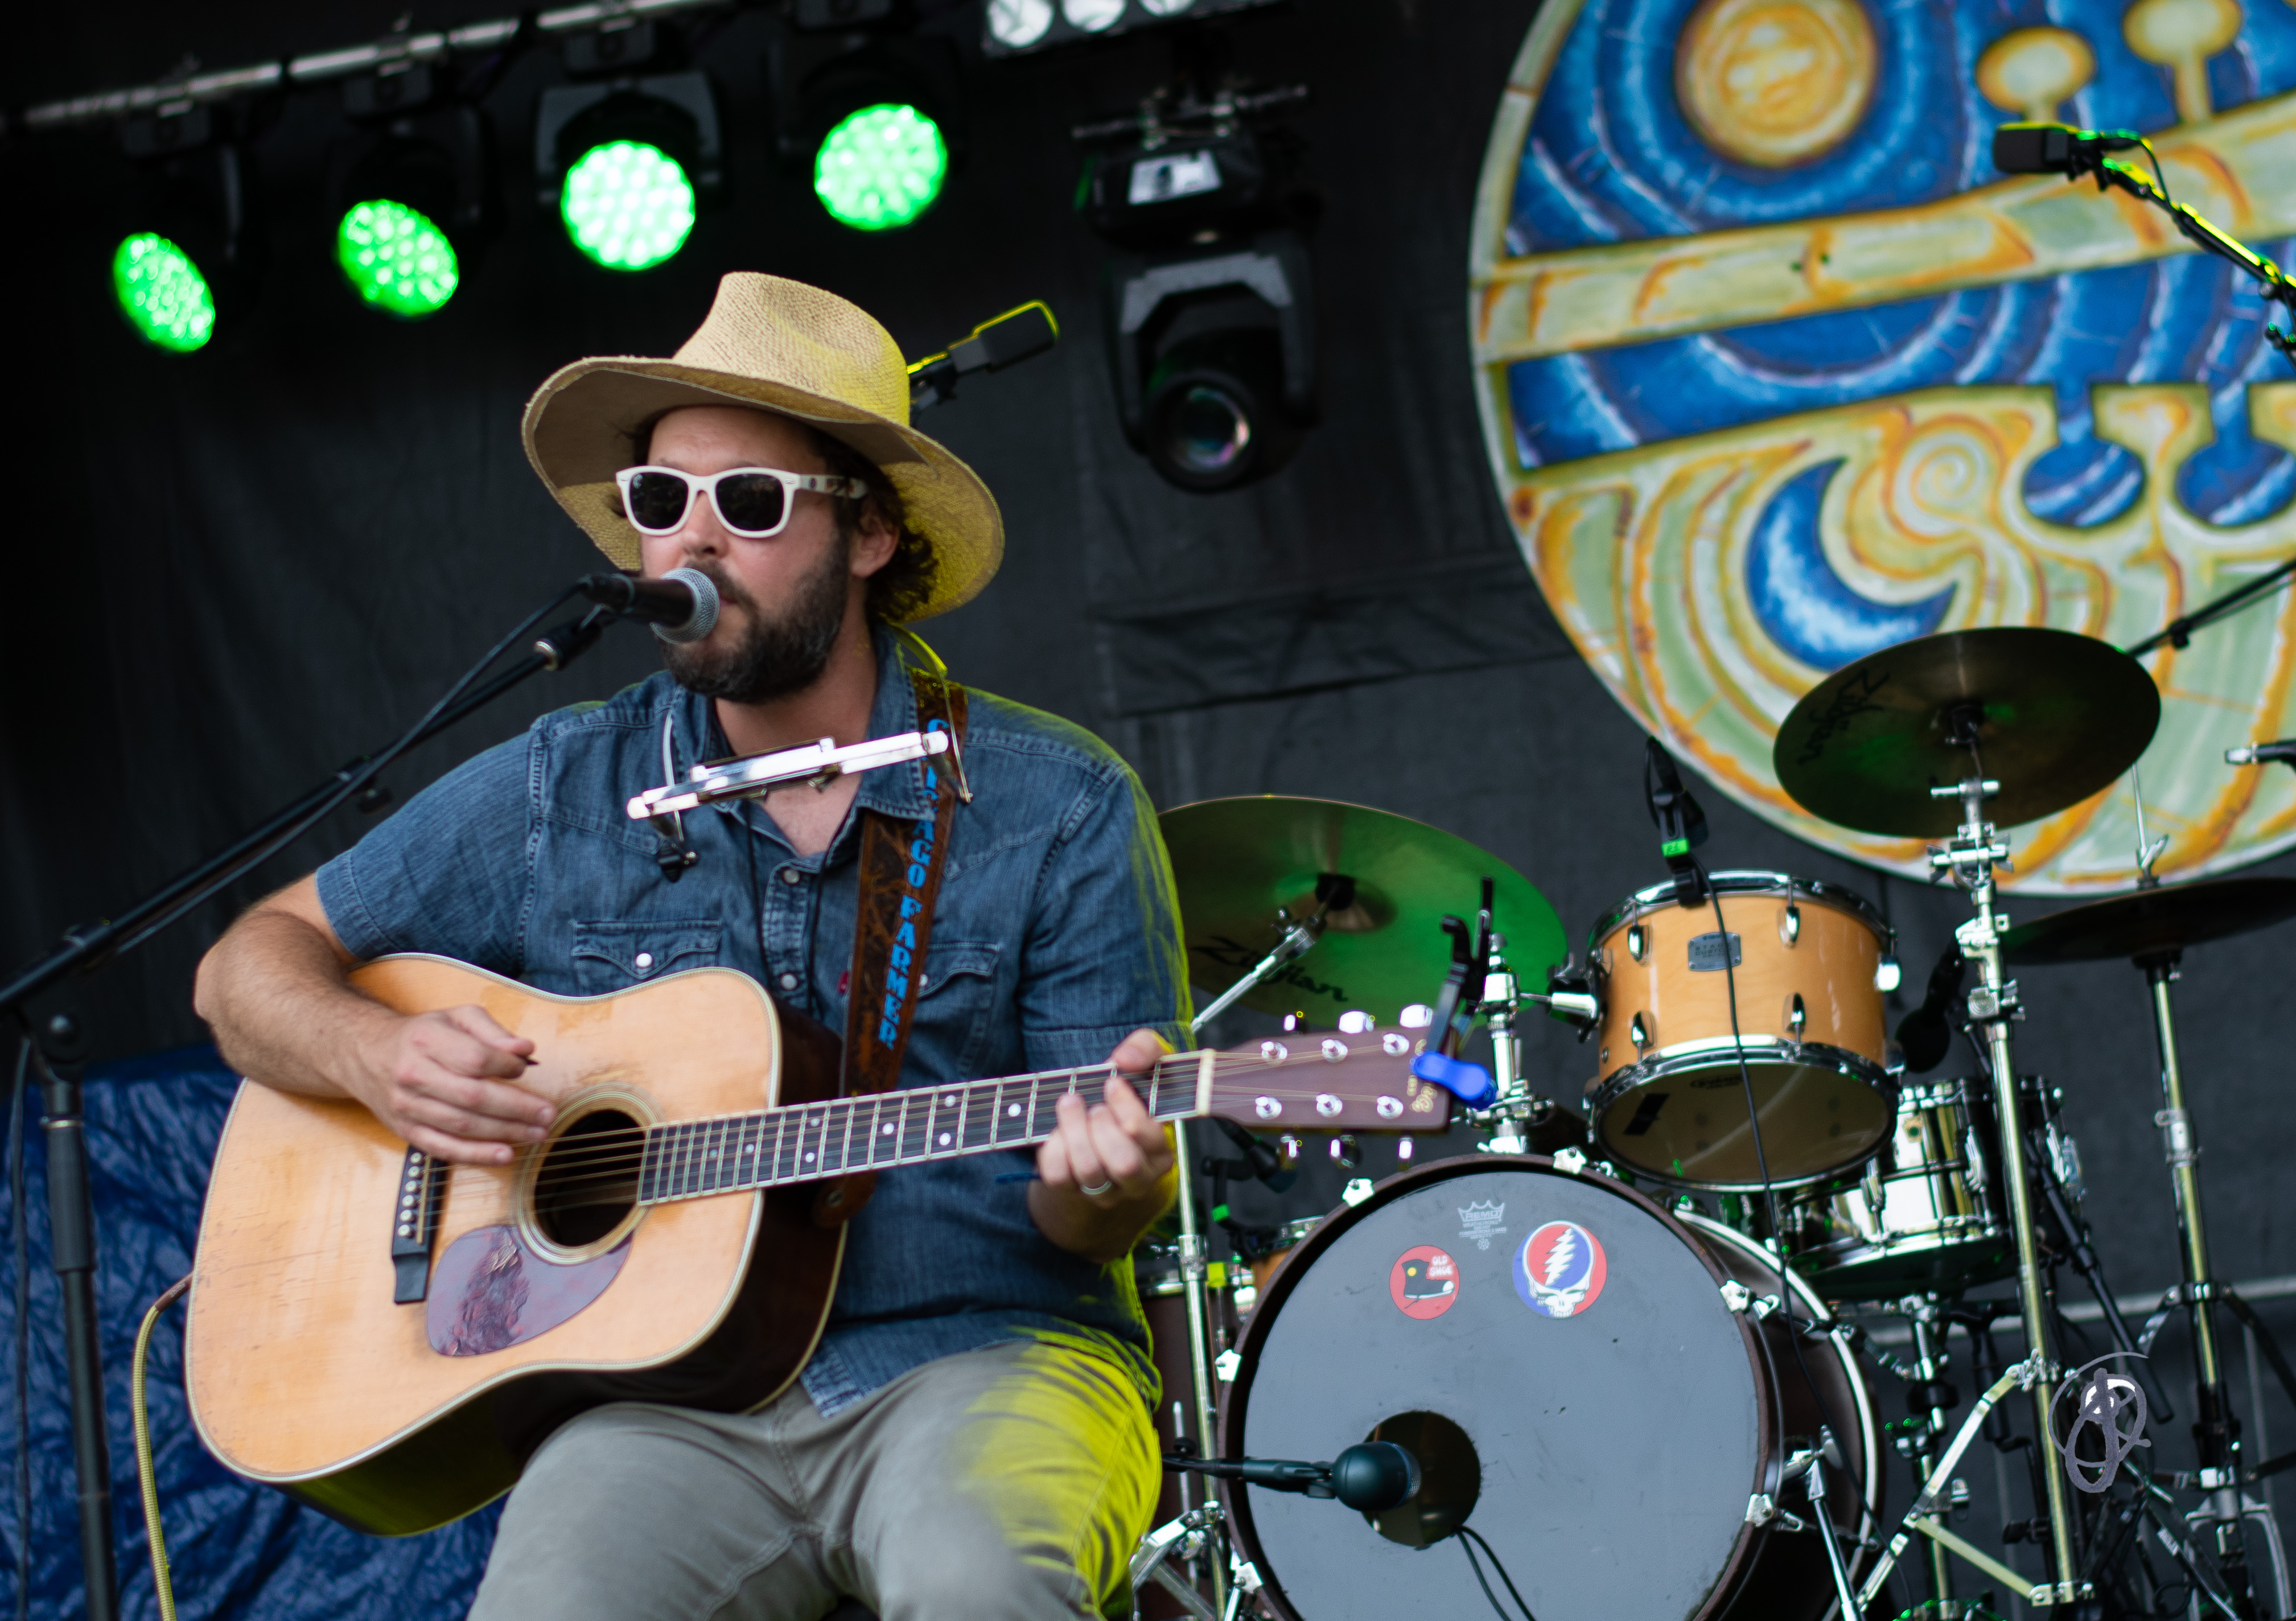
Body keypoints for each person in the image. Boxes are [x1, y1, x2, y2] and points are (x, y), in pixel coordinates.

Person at [193, 273, 1191, 1621]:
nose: (693, 544)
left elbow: (1100, 1218)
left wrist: (1111, 1178)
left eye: (752, 503)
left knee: (974, 1584)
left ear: (872, 536)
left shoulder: (1053, 800)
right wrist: (373, 1053)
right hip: (665, 1404)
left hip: (985, 1352)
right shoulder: (563, 782)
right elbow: (248, 963)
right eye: (661, 505)